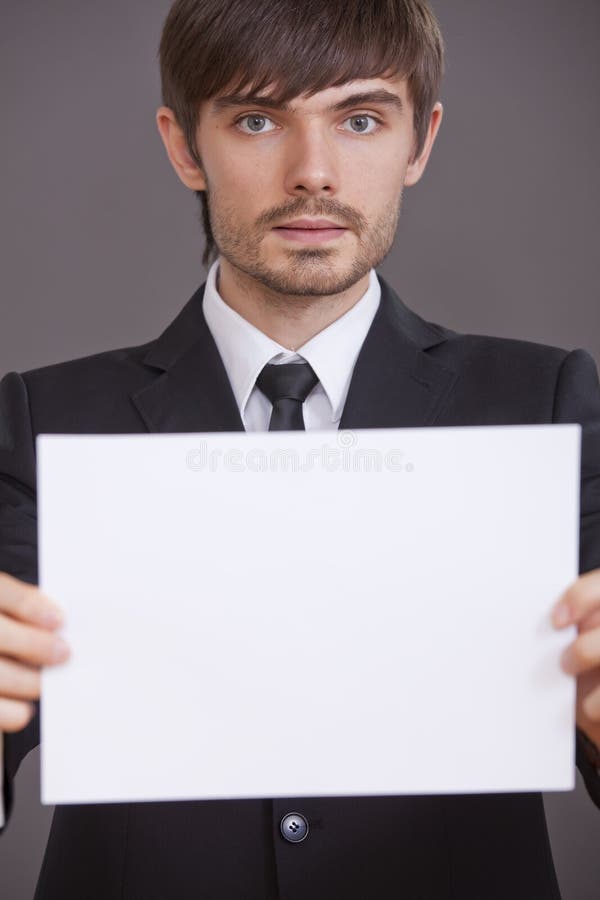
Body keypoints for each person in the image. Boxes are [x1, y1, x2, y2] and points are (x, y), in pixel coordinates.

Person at [1, 0, 600, 897]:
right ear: (183, 146)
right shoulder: (39, 418)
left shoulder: (547, 404)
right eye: (255, 119)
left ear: (419, 143)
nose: (312, 173)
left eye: (360, 119)